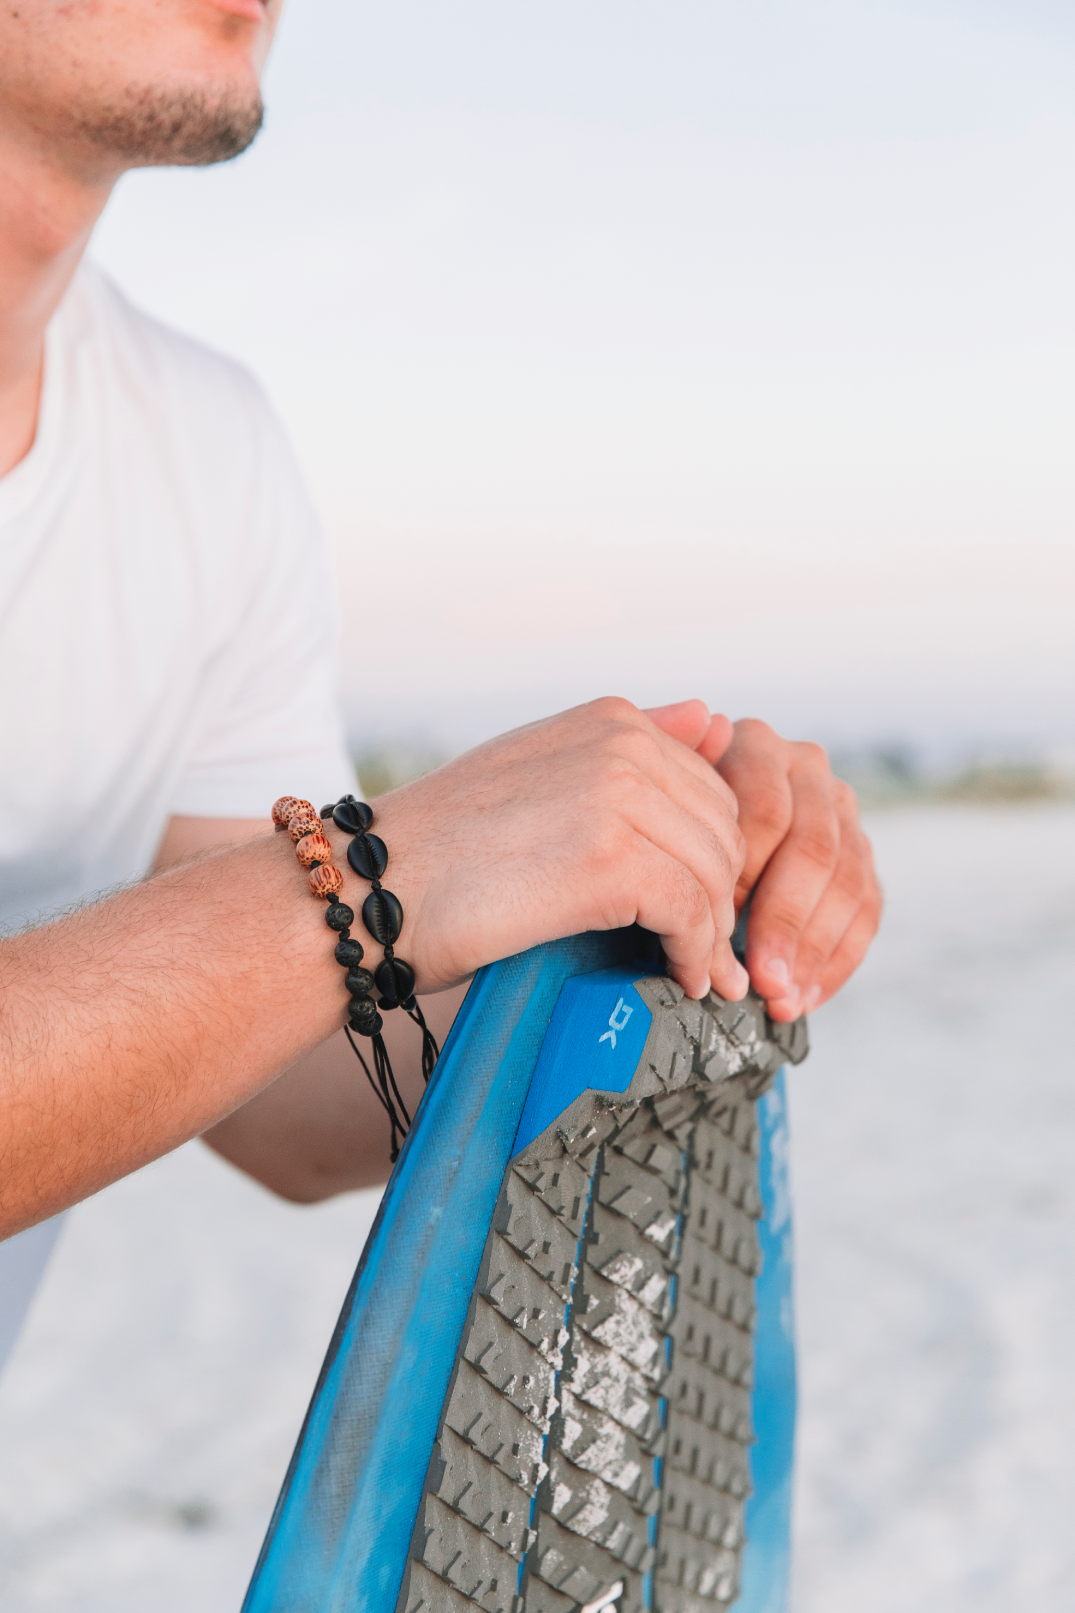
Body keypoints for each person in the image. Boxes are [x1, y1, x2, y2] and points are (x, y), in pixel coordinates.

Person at [0, 0, 882, 1370]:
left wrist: (634, 917)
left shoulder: (203, 447)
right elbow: (313, 925)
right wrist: (376, 875)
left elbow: (277, 1101)